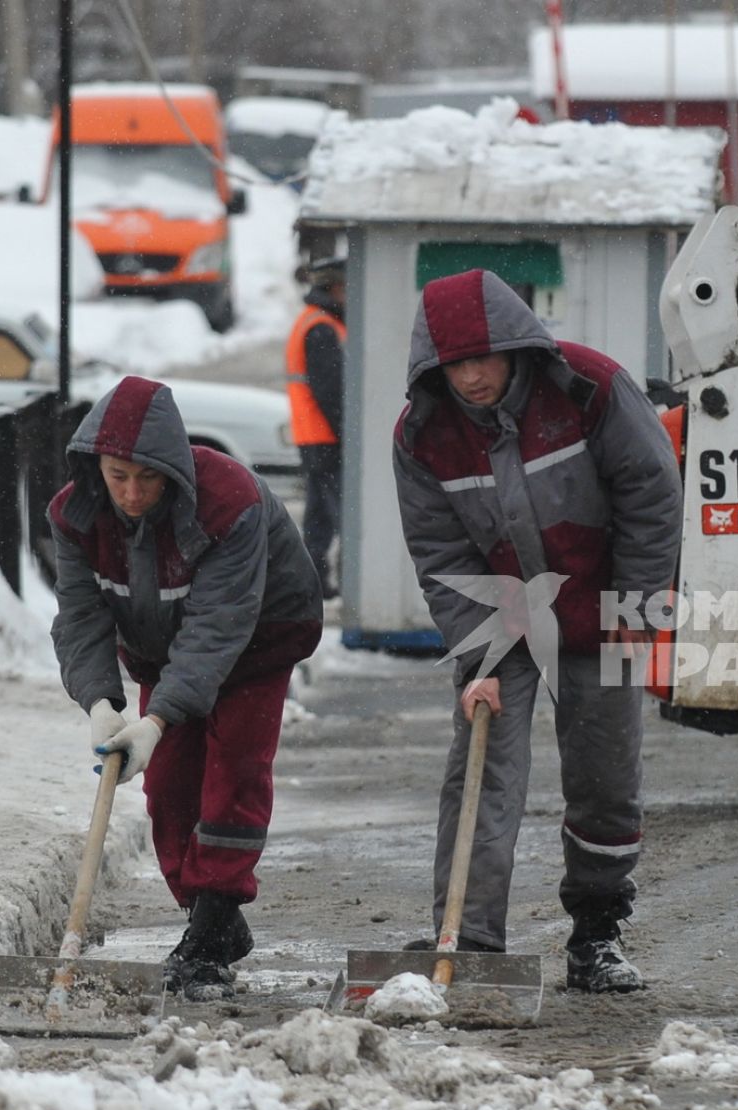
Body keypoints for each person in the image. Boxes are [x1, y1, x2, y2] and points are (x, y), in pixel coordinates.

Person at [392, 269, 681, 993]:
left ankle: (596, 932)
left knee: (605, 774)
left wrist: (639, 609)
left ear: (519, 347)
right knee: (481, 763)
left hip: (602, 605)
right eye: (455, 364)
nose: (472, 377)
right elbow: (441, 553)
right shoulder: (423, 435)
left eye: (485, 359)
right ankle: (470, 937)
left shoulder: (591, 390)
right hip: (502, 617)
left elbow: (652, 495)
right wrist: (475, 655)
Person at [48, 375, 324, 1000]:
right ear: (97, 467)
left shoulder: (229, 503)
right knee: (169, 789)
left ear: (173, 469)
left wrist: (158, 716)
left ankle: (209, 934)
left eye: (148, 477)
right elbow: (81, 615)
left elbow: (220, 626)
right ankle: (214, 917)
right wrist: (100, 701)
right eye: (118, 476)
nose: (133, 492)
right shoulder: (77, 516)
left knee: (234, 777)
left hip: (261, 638)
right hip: (162, 647)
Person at [286, 255, 347, 599]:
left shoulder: (312, 321)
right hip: (326, 435)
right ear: (335, 288)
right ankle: (341, 580)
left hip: (312, 435)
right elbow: (331, 391)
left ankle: (314, 581)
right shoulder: (322, 326)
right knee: (343, 514)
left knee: (320, 513)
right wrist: (348, 433)